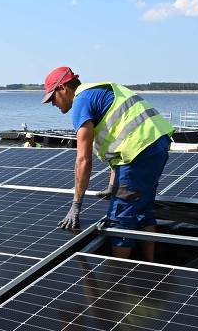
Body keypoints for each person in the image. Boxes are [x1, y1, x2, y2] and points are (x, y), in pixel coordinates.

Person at [41, 66, 174, 261]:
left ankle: (118, 277)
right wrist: (113, 185)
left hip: (138, 152)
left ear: (63, 88)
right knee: (143, 208)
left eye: (53, 98)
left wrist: (76, 205)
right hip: (156, 144)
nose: (53, 103)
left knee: (120, 217)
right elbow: (119, 140)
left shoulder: (81, 102)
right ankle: (149, 264)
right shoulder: (100, 90)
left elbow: (83, 159)